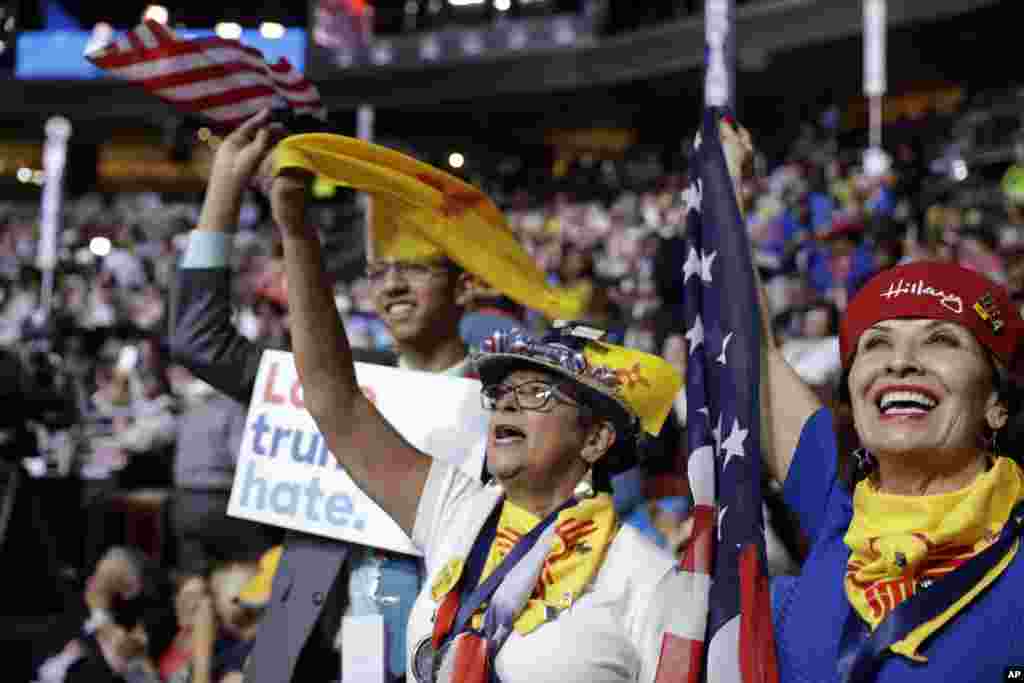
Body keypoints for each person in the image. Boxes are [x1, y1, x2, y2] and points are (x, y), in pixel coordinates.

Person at [266, 150, 704, 682]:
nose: (510, 403)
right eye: (501, 393)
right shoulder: (458, 513)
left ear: (595, 440)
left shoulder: (646, 577)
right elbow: (335, 401)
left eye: (539, 395)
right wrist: (296, 236)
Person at [170, 111, 575, 683]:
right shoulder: (335, 382)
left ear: (465, 285)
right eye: (378, 271)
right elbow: (197, 340)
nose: (391, 286)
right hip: (311, 655)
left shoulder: (510, 410)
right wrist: (225, 186)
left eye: (413, 268)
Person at [722, 122, 1024, 680]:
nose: (898, 361)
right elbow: (754, 352)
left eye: (940, 340)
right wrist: (727, 191)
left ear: (996, 404)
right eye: (876, 344)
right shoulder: (837, 510)